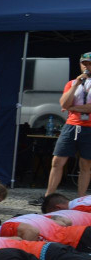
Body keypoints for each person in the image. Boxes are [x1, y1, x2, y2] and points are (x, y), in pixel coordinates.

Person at [38, 52, 91, 206]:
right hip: (71, 126)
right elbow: (63, 104)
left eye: (89, 63)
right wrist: (76, 84)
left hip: (89, 128)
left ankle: (81, 200)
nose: (86, 66)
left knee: (86, 165)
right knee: (57, 161)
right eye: (84, 63)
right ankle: (49, 197)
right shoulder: (72, 83)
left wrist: (73, 107)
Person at [0, 212, 91, 251]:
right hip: (80, 232)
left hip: (74, 242)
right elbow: (66, 222)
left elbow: (32, 231)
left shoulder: (6, 227)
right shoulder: (31, 217)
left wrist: (28, 255)